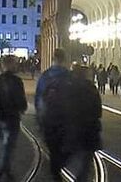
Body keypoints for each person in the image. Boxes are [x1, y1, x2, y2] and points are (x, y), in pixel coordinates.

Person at [0, 55, 27, 182]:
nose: (16, 66)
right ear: (10, 65)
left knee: (5, 148)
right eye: (15, 64)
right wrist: (22, 108)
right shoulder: (16, 81)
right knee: (7, 149)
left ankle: (8, 173)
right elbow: (21, 101)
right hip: (11, 119)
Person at [62, 65, 103, 181]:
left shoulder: (68, 88)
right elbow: (98, 110)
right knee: (86, 161)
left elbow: (64, 108)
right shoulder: (91, 89)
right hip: (90, 130)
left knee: (72, 156)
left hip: (73, 129)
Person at [37, 48, 72, 180]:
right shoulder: (69, 76)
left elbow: (39, 99)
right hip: (65, 119)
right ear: (64, 60)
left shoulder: (45, 76)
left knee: (53, 149)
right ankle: (56, 170)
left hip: (48, 119)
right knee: (66, 149)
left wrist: (40, 119)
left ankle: (55, 172)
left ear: (53, 59)